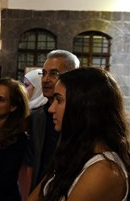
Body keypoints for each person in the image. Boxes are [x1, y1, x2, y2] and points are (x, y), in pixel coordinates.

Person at [27, 67, 130, 201]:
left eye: (59, 100)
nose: (52, 109)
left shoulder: (104, 171)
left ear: (83, 106)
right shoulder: (74, 154)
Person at [24, 50, 80, 193]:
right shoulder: (35, 118)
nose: (45, 79)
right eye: (44, 73)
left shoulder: (82, 120)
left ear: (73, 77)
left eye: (54, 74)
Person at [19, 69, 48, 201]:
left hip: (31, 166)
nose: (24, 90)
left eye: (27, 85)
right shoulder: (29, 109)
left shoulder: (39, 114)